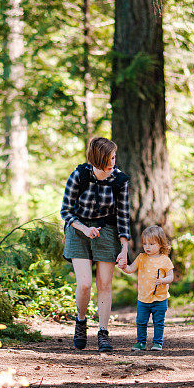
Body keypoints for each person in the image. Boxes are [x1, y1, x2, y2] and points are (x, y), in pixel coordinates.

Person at [61, 136, 130, 352]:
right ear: (97, 159)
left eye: (114, 157)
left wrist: (124, 249)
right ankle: (81, 321)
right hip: (78, 229)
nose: (112, 163)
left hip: (107, 230)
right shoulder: (79, 175)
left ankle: (103, 333)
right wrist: (84, 228)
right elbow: (66, 211)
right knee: (84, 284)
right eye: (108, 158)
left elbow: (123, 217)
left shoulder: (120, 180)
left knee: (104, 284)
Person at [118, 225, 174, 351]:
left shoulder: (165, 260)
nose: (147, 247)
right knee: (141, 321)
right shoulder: (141, 258)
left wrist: (163, 280)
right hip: (143, 299)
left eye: (151, 244)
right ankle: (141, 342)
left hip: (160, 298)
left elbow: (171, 277)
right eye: (145, 244)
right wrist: (123, 267)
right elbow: (130, 269)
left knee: (158, 322)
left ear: (160, 244)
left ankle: (157, 343)